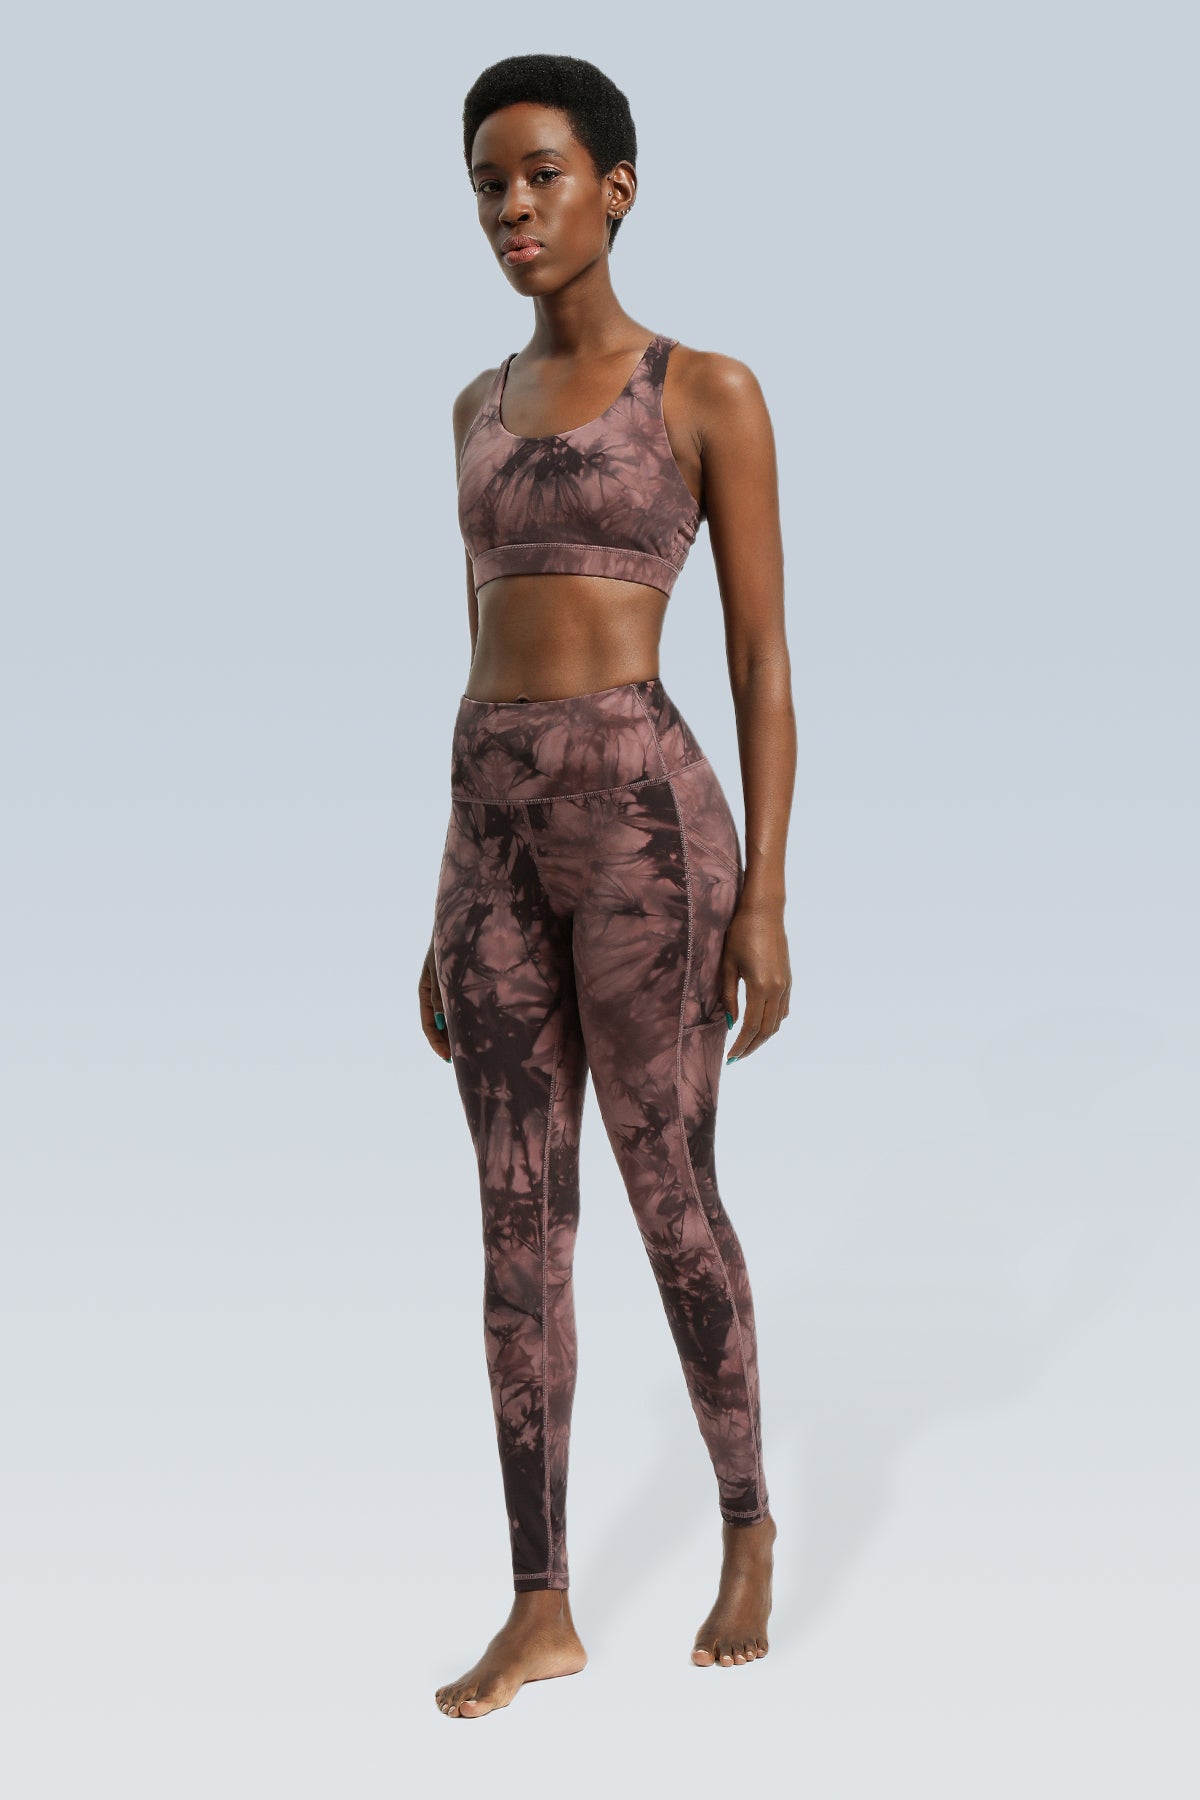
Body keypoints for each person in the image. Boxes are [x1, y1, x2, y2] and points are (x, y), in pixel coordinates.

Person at [420, 53, 795, 1719]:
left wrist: (763, 893)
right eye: (488, 182)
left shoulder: (703, 389)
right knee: (516, 1223)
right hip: (492, 836)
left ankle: (748, 1522)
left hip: (646, 828)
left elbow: (762, 658)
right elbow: (480, 650)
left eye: (543, 174)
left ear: (616, 188)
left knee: (669, 1194)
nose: (513, 206)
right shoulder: (470, 409)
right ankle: (540, 1602)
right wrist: (444, 900)